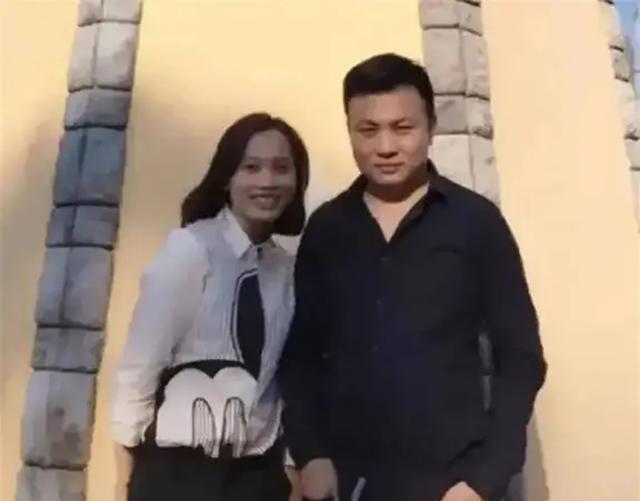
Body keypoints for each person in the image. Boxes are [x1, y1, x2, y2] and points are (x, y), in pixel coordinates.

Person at [279, 53, 546, 501]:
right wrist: (310, 454)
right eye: (368, 130)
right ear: (350, 131)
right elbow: (301, 355)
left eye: (402, 128)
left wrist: (484, 480)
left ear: (430, 127)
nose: (386, 146)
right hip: (344, 482)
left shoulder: (475, 222)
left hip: (451, 484)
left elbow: (521, 357)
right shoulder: (327, 229)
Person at [111, 112, 309, 501]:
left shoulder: (285, 271)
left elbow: (282, 381)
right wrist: (125, 482)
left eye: (281, 168)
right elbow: (139, 366)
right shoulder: (190, 250)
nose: (267, 181)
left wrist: (288, 471)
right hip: (178, 474)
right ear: (226, 178)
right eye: (251, 167)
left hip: (256, 478)